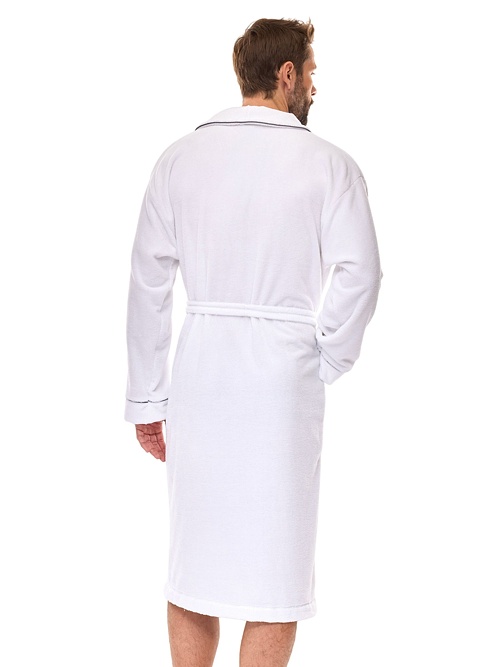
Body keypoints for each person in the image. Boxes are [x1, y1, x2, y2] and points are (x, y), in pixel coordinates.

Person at [125, 17, 382, 667]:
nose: (315, 85)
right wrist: (329, 355)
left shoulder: (178, 159)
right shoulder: (330, 165)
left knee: (194, 561)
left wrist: (148, 399)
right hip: (282, 380)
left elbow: (149, 282)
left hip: (201, 372)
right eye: (312, 72)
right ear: (287, 74)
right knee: (276, 569)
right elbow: (361, 272)